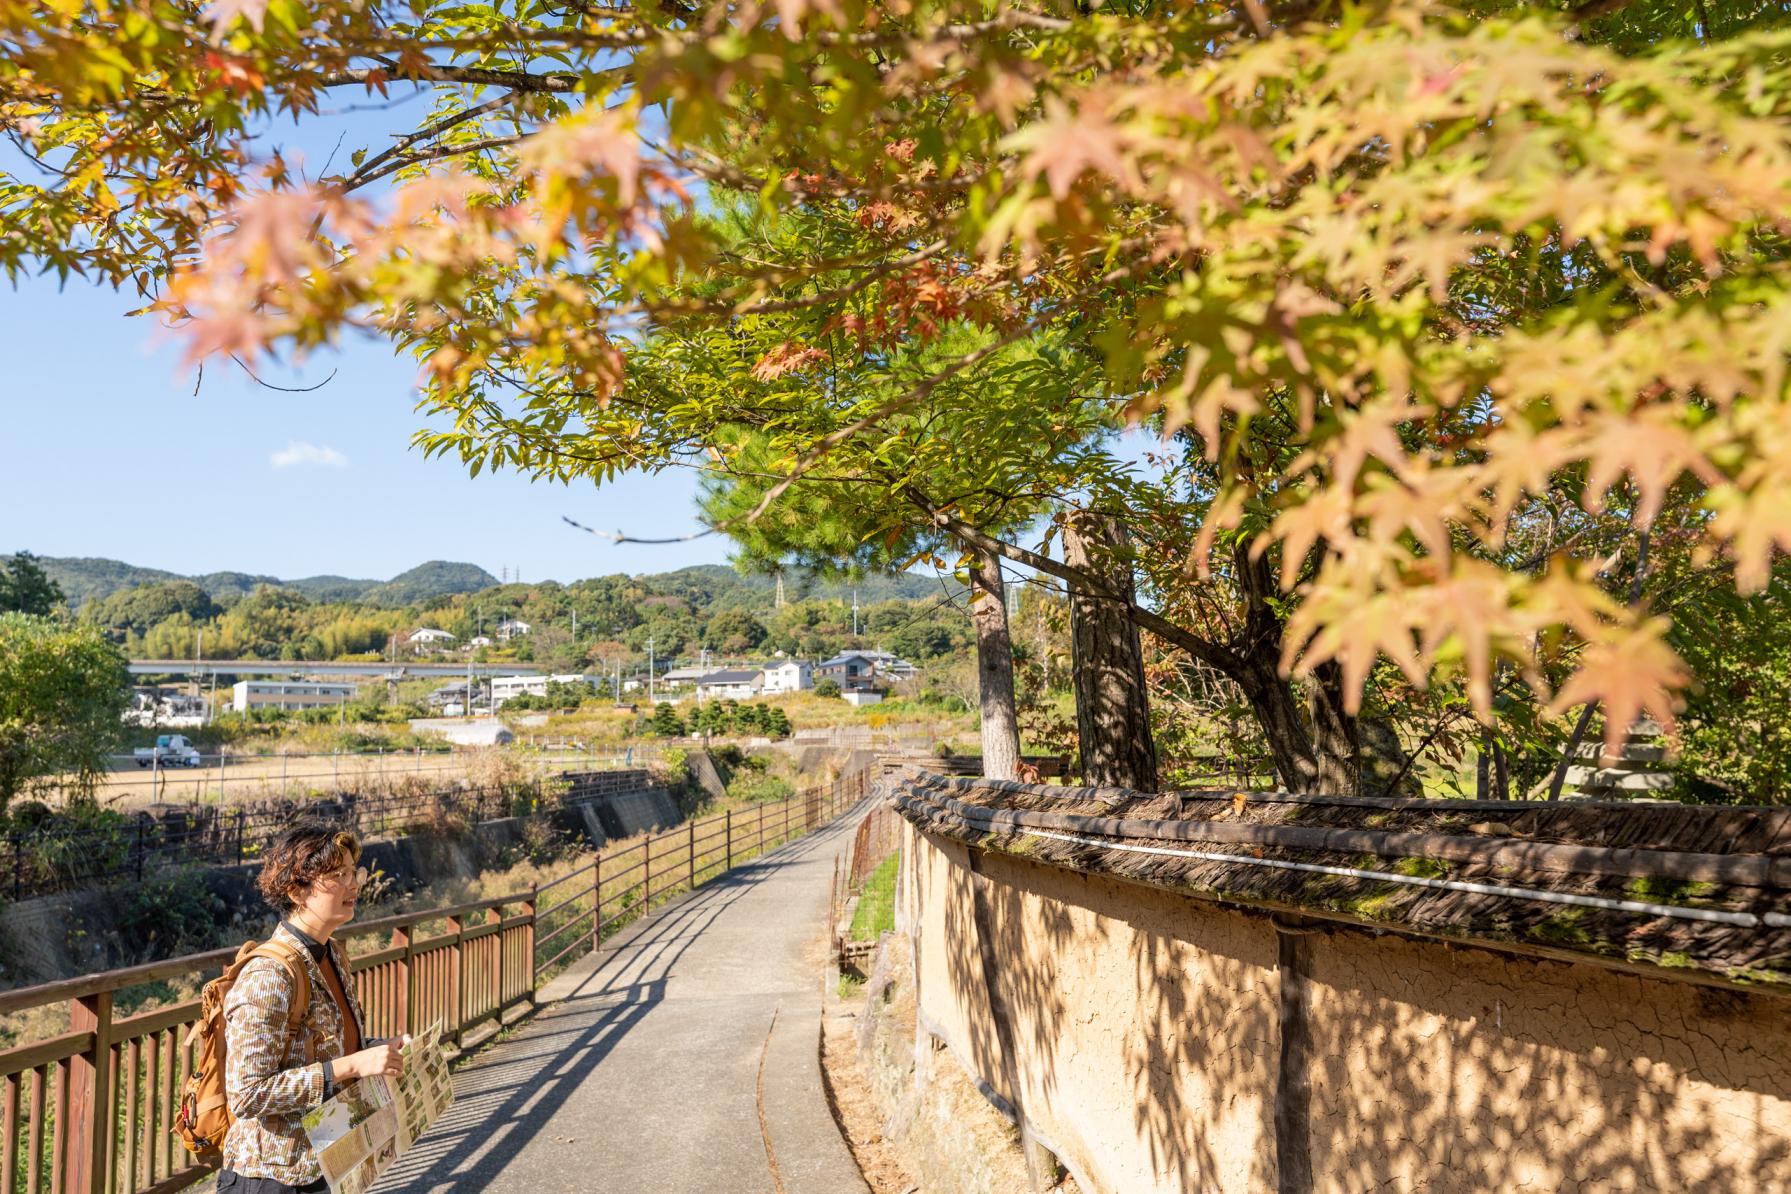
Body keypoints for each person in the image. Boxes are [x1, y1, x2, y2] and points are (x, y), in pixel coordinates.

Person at [219, 822, 405, 1194]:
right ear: (296, 890)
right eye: (338, 875)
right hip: (271, 1177)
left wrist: (376, 1049)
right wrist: (351, 1066)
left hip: (328, 1161)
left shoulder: (332, 953)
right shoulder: (269, 973)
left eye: (355, 872)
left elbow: (326, 1046)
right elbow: (247, 1094)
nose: (353, 884)